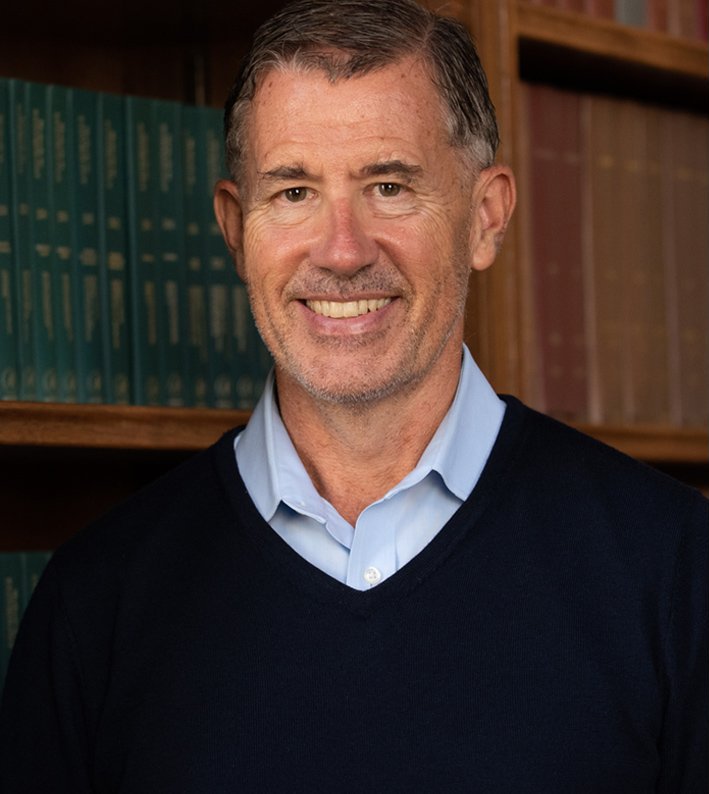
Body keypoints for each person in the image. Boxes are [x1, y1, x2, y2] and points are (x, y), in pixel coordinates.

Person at [1, 0, 706, 790]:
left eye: (389, 186)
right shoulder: (96, 600)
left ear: (484, 217)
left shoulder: (675, 570)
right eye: (293, 193)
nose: (341, 252)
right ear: (234, 229)